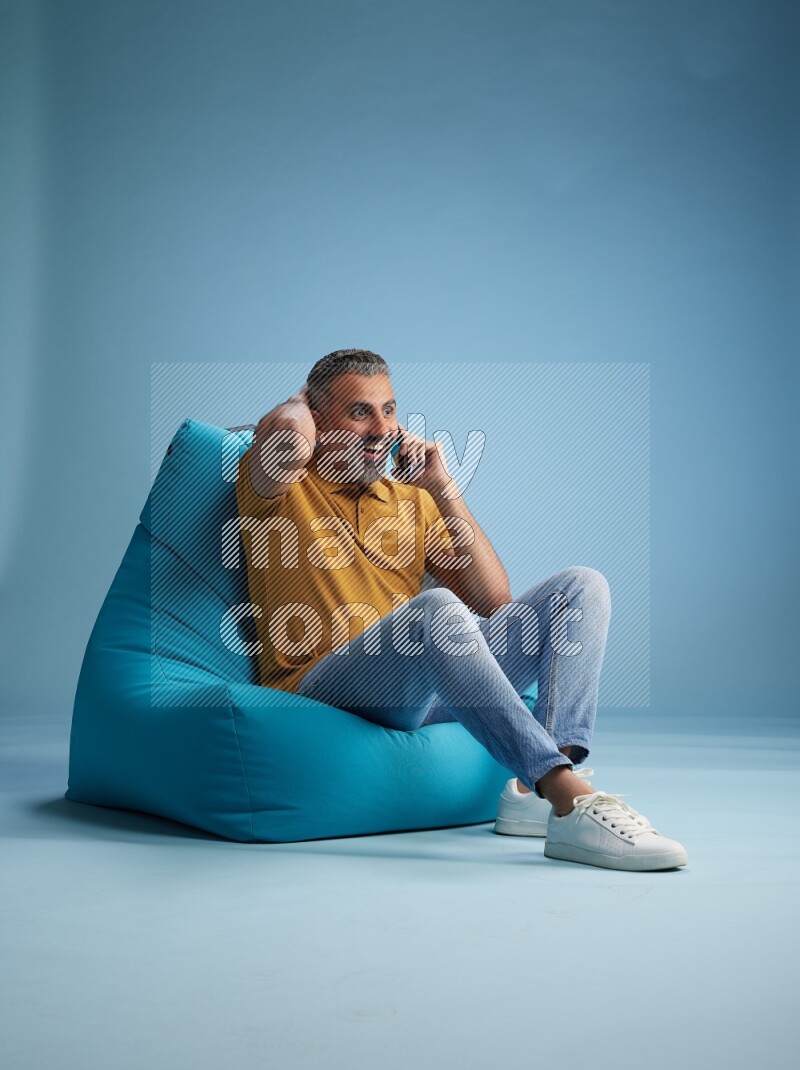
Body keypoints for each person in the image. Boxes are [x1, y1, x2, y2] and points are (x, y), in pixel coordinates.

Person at [235, 348, 687, 872]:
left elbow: (495, 602)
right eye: (360, 412)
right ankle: (568, 797)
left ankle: (531, 793)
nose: (381, 429)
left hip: (415, 689)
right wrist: (300, 399)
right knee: (435, 609)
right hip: (324, 688)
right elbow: (288, 435)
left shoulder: (410, 501)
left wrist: (442, 490)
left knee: (581, 587)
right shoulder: (280, 485)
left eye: (389, 410)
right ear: (318, 419)